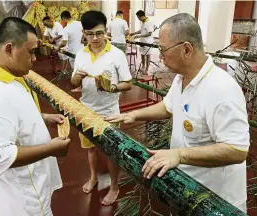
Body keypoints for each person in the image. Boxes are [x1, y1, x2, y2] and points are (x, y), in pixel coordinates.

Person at [106, 13, 249, 213]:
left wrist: (179, 155)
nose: (161, 57)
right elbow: (167, 107)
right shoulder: (181, 78)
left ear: (187, 49)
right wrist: (134, 115)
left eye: (163, 50)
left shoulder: (221, 89)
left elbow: (237, 150)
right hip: (188, 189)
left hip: (216, 201)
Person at [0, 17, 71, 216]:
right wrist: (51, 148)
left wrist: (43, 117)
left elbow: (15, 114)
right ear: (9, 49)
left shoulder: (10, 78)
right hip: (22, 203)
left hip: (32, 190)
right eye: (31, 52)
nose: (34, 59)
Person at [71, 11, 132, 206]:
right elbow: (73, 81)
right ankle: (93, 177)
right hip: (86, 109)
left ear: (106, 30)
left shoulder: (117, 55)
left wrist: (112, 87)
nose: (95, 38)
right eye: (90, 34)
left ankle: (114, 186)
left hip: (109, 112)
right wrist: (77, 78)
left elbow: (128, 84)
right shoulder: (81, 54)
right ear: (84, 33)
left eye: (99, 33)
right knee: (90, 149)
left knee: (111, 152)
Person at [58, 10, 84, 93]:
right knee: (83, 68)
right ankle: (84, 85)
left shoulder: (66, 29)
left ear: (64, 18)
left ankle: (80, 87)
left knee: (77, 71)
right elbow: (86, 32)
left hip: (73, 53)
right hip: (82, 51)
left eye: (62, 20)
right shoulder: (80, 23)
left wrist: (58, 47)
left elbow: (64, 42)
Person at [130, 10, 154, 74]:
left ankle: (146, 69)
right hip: (142, 42)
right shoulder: (143, 22)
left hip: (148, 42)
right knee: (142, 55)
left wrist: (140, 36)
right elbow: (142, 30)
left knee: (147, 56)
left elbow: (149, 33)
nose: (139, 19)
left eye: (139, 18)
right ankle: (143, 67)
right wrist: (134, 33)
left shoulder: (149, 22)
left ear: (142, 16)